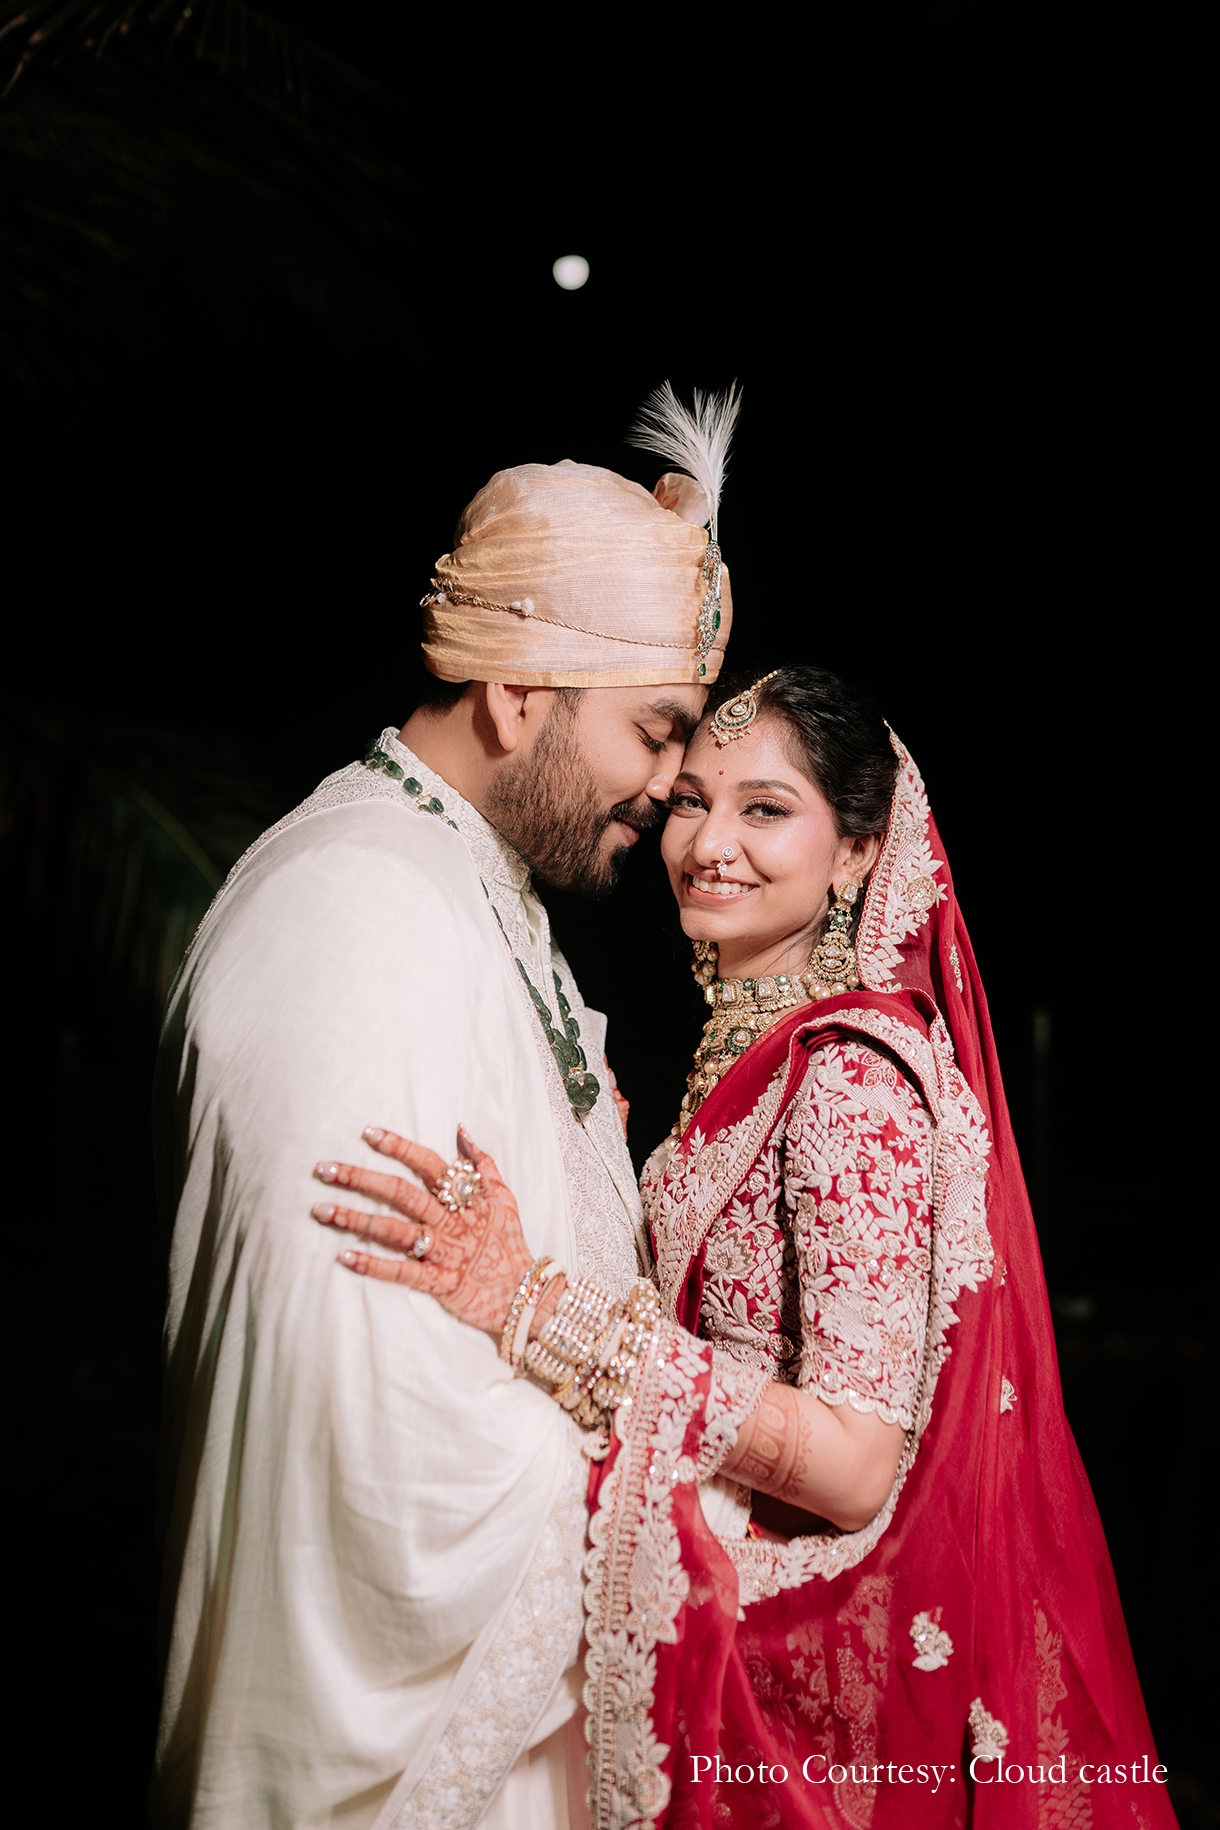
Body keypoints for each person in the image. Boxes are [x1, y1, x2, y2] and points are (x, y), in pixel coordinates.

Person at [314, 666, 1173, 1829]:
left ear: (860, 852)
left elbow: (854, 1460)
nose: (709, 842)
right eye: (689, 802)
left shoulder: (849, 1081)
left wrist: (539, 1306)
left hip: (803, 1661)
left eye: (764, 809)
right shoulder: (755, 1059)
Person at [151, 389, 744, 1829]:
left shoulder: (471, 882)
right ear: (519, 691)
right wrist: (700, 1510)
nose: (672, 791)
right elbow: (354, 1414)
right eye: (655, 732)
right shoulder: (353, 905)